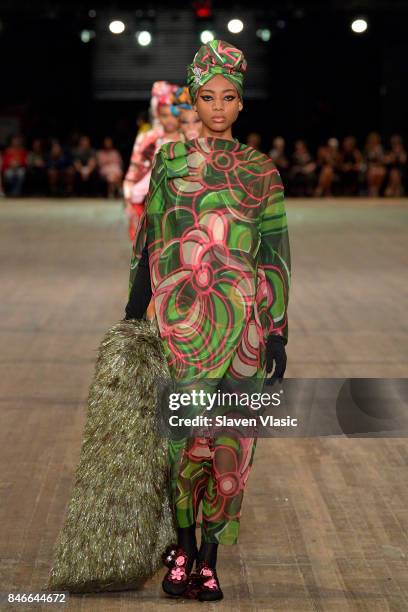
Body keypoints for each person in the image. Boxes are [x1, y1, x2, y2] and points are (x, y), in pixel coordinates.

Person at [124, 39, 291, 601]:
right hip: (182, 326)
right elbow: (149, 239)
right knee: (179, 444)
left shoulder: (262, 172)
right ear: (193, 100)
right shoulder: (168, 161)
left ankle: (211, 558)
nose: (218, 107)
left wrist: (277, 331)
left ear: (241, 104)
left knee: (232, 447)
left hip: (244, 329)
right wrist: (132, 311)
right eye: (208, 97)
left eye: (229, 98)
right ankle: (184, 549)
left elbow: (274, 255)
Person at [122, 81, 182, 243]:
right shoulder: (148, 138)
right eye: (164, 114)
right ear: (156, 113)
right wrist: (128, 197)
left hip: (178, 205)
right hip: (144, 201)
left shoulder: (189, 138)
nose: (169, 120)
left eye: (173, 114)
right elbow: (134, 169)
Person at [364, 131, 386, 197]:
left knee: (381, 171)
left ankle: (376, 190)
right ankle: (371, 190)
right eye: (372, 140)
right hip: (369, 167)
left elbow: (382, 160)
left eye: (375, 140)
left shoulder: (380, 148)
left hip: (378, 166)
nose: (374, 141)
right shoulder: (367, 148)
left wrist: (377, 153)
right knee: (373, 172)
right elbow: (365, 160)